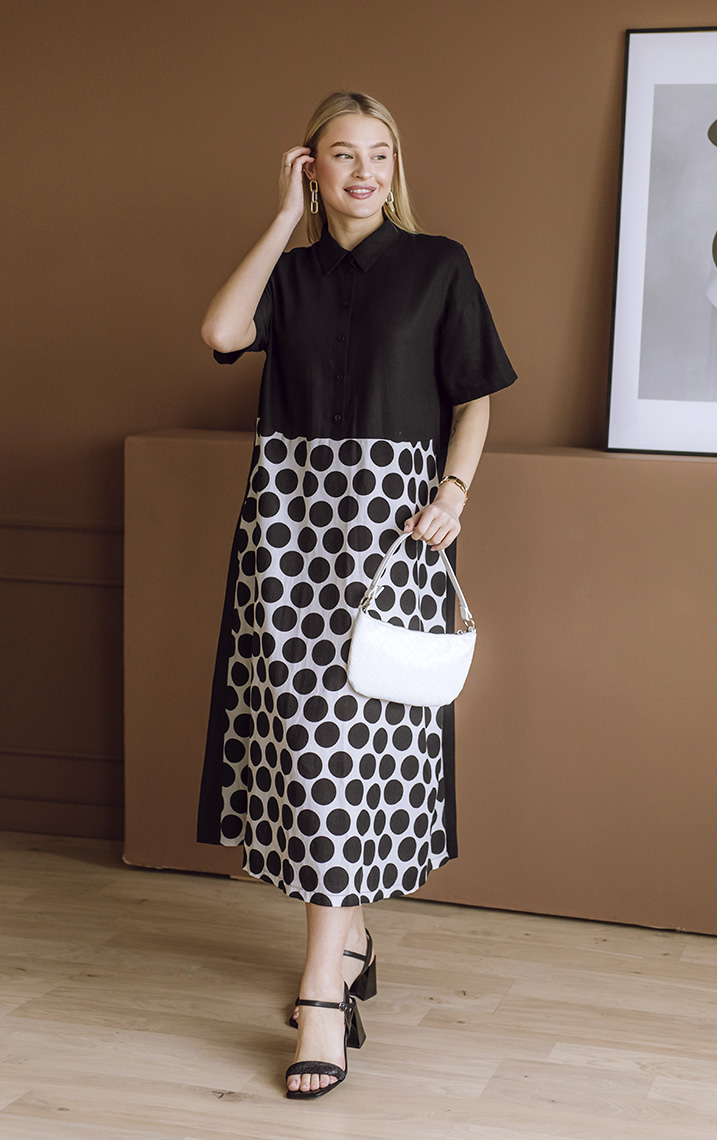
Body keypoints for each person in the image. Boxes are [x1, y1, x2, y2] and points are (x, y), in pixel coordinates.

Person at [197, 91, 516, 1099]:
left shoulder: (439, 266)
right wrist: (280, 219)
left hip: (390, 533)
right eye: (342, 155)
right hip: (288, 531)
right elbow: (220, 328)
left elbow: (475, 399)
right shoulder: (288, 277)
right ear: (311, 167)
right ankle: (352, 942)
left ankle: (321, 997)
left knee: (352, 745)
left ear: (395, 167)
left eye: (380, 154)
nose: (364, 172)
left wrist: (453, 495)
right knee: (308, 748)